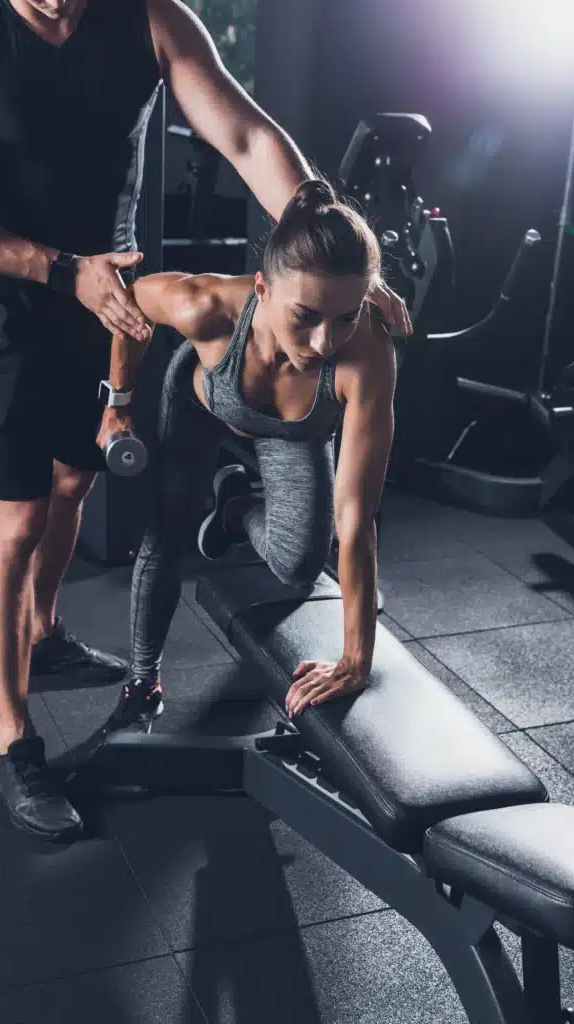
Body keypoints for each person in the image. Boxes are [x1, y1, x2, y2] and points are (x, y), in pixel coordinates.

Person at [0, 0, 409, 841]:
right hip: (15, 303)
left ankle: (45, 631)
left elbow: (244, 138)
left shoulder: (149, 19)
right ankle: (14, 741)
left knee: (72, 483)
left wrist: (325, 240)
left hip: (115, 297)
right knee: (18, 520)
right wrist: (62, 272)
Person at [98, 178, 406, 736]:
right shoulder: (206, 307)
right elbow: (128, 299)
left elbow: (356, 520)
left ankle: (236, 507)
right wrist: (118, 402)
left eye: (346, 316)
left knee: (299, 567)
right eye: (306, 315)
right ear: (261, 288)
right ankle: (143, 682)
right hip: (203, 401)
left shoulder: (369, 357)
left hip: (293, 431)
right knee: (166, 532)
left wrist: (355, 661)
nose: (323, 343)